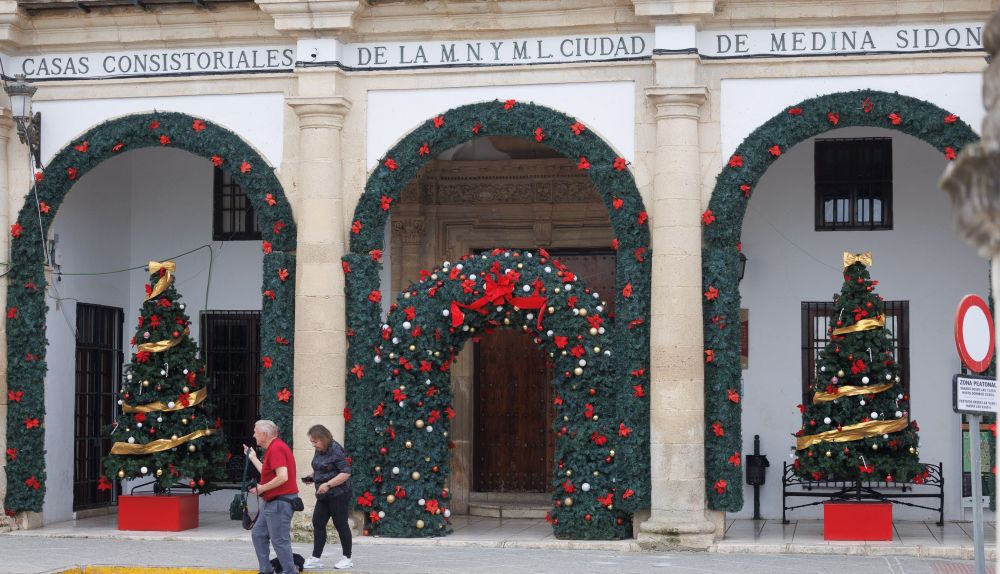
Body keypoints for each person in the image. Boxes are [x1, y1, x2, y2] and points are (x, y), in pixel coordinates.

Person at [245, 419, 298, 574]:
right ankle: (266, 570)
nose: (253, 435)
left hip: (279, 502)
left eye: (255, 432)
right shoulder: (274, 447)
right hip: (273, 501)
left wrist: (262, 488)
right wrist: (253, 457)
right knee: (258, 534)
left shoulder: (276, 448)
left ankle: (289, 572)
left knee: (279, 540)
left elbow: (283, 477)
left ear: (264, 434)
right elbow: (268, 473)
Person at [302, 424, 353, 570]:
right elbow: (320, 468)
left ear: (323, 439)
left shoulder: (336, 450)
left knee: (340, 524)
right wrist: (311, 477)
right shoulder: (319, 450)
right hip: (323, 495)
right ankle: (316, 558)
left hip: (339, 494)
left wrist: (328, 484)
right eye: (312, 441)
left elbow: (345, 473)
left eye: (315, 441)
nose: (313, 444)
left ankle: (347, 558)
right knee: (318, 523)